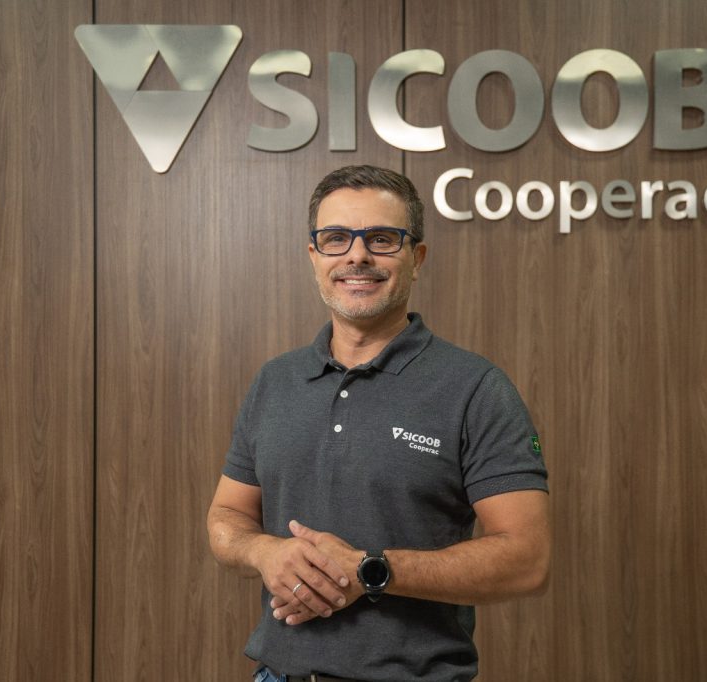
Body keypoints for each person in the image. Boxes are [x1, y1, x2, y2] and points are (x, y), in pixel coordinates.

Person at [207, 165, 550, 682]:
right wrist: (265, 551)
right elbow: (226, 516)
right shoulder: (275, 381)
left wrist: (371, 570)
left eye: (382, 239)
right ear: (314, 255)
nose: (357, 256)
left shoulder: (476, 388)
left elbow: (527, 559)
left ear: (417, 258)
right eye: (336, 238)